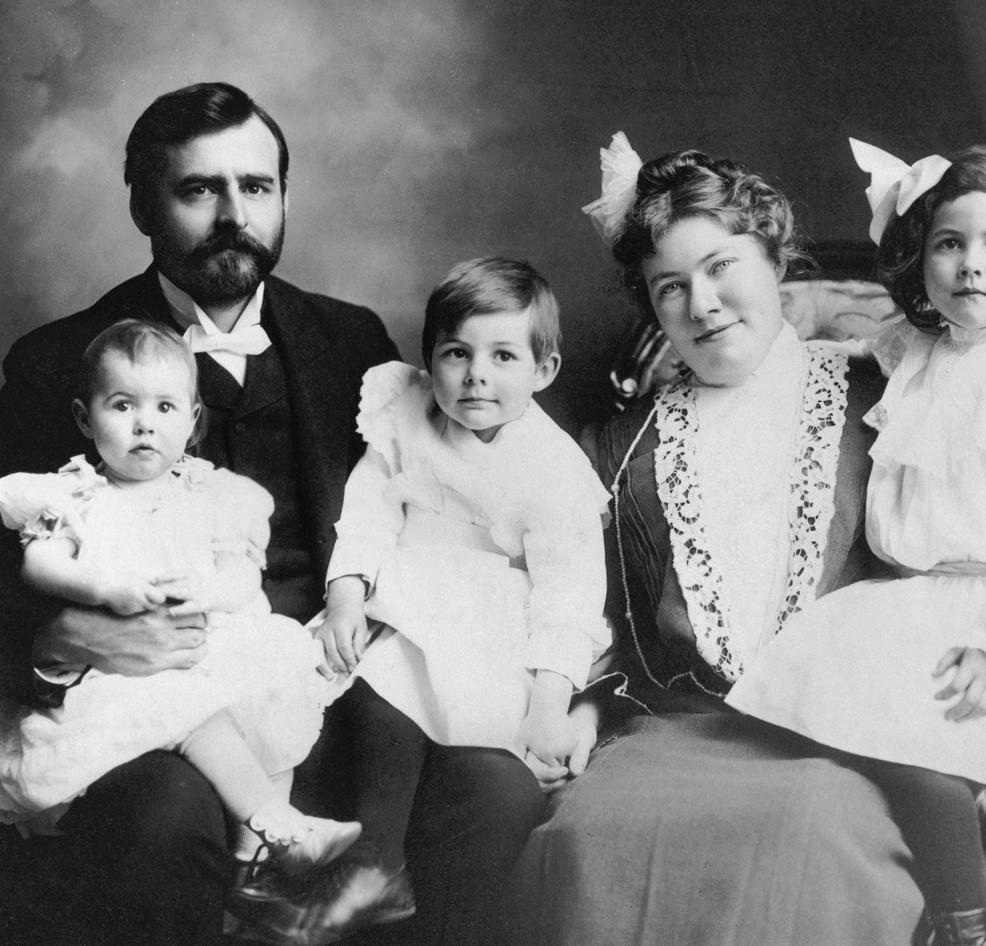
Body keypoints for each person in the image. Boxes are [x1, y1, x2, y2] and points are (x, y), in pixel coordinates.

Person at [502, 135, 986, 946]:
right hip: (683, 728)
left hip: (867, 737)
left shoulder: (896, 387)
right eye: (671, 289)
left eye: (724, 267)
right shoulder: (620, 450)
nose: (704, 303)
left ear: (776, 262)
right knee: (583, 841)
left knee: (805, 833)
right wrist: (579, 705)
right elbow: (599, 618)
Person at [0, 82, 537, 946]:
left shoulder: (354, 340)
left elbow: (448, 488)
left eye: (255, 187)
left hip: (336, 681)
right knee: (162, 822)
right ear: (141, 204)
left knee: (497, 794)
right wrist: (62, 643)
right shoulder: (56, 361)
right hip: (166, 703)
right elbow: (8, 575)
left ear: (284, 197)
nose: (232, 214)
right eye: (197, 189)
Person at [727, 140, 986, 946]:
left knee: (911, 745)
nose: (971, 265)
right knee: (809, 711)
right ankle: (980, 854)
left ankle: (967, 925)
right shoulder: (912, 353)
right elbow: (822, 359)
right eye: (948, 243)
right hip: (913, 601)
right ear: (920, 261)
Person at [277, 256, 609, 945]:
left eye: (503, 355)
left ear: (544, 369)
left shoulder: (554, 470)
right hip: (400, 592)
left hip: (490, 619)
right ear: (430, 359)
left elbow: (569, 595)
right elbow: (367, 509)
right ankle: (369, 859)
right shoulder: (409, 408)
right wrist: (345, 593)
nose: (475, 374)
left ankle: (373, 867)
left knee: (422, 688)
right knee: (362, 684)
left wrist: (550, 701)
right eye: (456, 353)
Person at [0, 320, 360, 877]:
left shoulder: (212, 494)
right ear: (84, 417)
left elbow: (242, 572)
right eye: (122, 406)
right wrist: (103, 588)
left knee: (273, 693)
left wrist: (210, 591)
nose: (144, 425)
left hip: (207, 641)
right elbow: (39, 563)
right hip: (124, 671)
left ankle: (255, 859)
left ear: (192, 422)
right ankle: (277, 825)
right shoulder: (76, 495)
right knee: (198, 719)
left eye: (165, 409)